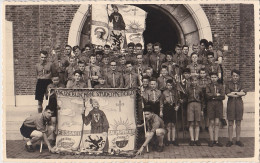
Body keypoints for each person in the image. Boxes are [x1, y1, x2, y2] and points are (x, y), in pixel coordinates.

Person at [225, 69, 247, 147]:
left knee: (238, 122)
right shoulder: (228, 84)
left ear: (239, 76)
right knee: (230, 123)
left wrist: (233, 93)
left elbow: (244, 93)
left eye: (236, 76)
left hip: (239, 104)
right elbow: (228, 94)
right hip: (231, 104)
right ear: (231, 76)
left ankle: (238, 140)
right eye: (233, 75)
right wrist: (238, 93)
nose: (235, 77)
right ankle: (230, 140)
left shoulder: (241, 84)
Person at [206, 72, 225, 147]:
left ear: (217, 78)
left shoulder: (220, 86)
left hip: (218, 105)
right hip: (210, 105)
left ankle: (216, 140)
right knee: (211, 122)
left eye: (215, 77)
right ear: (210, 78)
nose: (213, 79)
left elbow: (223, 96)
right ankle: (211, 140)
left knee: (217, 123)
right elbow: (207, 95)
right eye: (212, 77)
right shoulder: (208, 86)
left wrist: (213, 96)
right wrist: (216, 95)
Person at [160, 79, 180, 146]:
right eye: (168, 85)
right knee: (168, 125)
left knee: (173, 124)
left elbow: (178, 101)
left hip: (173, 108)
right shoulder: (164, 93)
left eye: (171, 85)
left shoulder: (175, 92)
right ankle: (168, 140)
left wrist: (177, 106)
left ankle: (173, 139)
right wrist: (161, 111)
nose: (170, 86)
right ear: (166, 85)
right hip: (167, 108)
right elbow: (161, 102)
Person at [186, 76, 204, 146]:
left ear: (197, 81)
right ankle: (192, 139)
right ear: (190, 81)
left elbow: (202, 99)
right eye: (192, 81)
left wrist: (202, 109)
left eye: (195, 80)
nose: (194, 82)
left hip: (198, 105)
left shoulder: (200, 89)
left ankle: (196, 139)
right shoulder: (188, 89)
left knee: (197, 123)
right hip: (190, 105)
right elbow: (186, 97)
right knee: (191, 123)